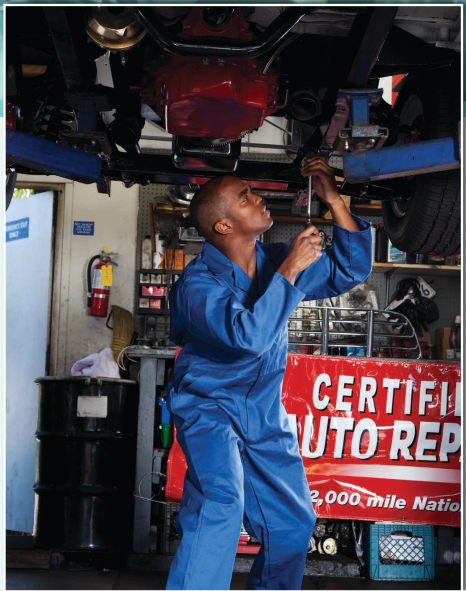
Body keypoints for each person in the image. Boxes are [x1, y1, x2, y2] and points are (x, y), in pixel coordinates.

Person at [165, 156, 372, 590]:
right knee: (220, 504)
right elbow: (248, 337)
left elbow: (350, 270)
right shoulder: (197, 286)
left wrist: (334, 199)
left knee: (293, 523)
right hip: (208, 408)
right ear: (223, 226)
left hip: (261, 412)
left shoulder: (274, 259)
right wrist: (291, 269)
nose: (258, 198)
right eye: (245, 197)